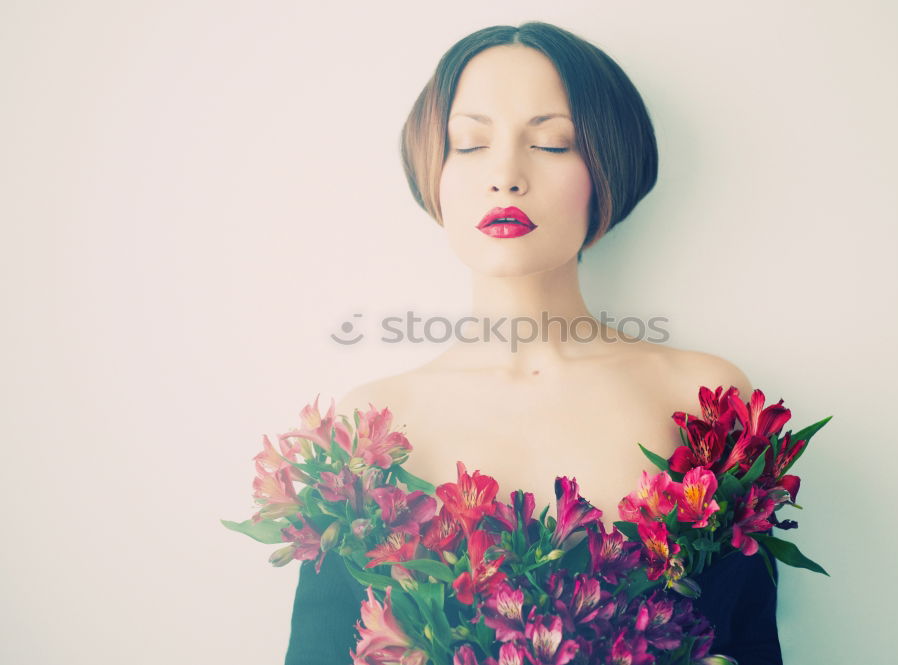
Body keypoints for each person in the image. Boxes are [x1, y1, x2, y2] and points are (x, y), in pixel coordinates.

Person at [285, 21, 782, 665]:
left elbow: (746, 647)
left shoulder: (705, 408)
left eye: (551, 143)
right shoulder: (364, 432)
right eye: (469, 144)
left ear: (608, 166)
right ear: (432, 173)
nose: (506, 175)